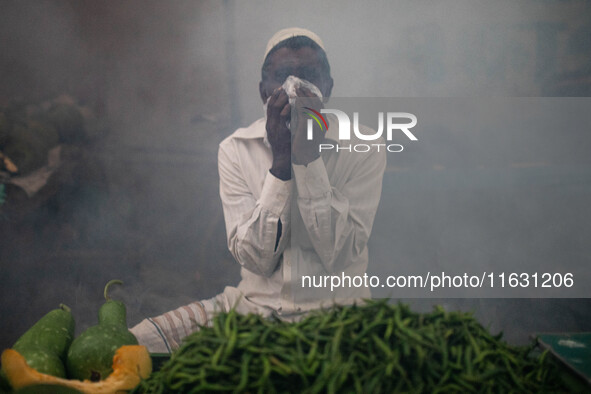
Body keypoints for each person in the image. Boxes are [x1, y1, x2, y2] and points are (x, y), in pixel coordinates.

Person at [130, 27, 386, 353]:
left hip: (340, 314)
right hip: (254, 311)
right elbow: (256, 259)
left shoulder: (365, 147)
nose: (295, 88)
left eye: (309, 76)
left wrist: (308, 158)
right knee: (138, 343)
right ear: (264, 91)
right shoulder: (235, 149)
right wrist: (281, 164)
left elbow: (336, 254)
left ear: (328, 88)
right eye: (282, 77)